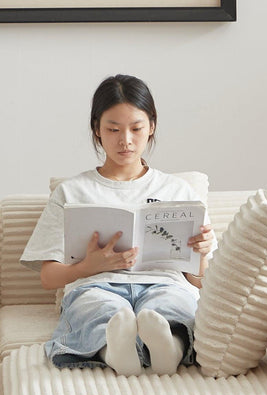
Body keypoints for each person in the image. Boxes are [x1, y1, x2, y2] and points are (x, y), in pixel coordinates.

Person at [20, 75, 215, 376]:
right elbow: (48, 276)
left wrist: (201, 253)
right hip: (97, 285)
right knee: (99, 310)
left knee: (172, 306)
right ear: (96, 129)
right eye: (113, 129)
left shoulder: (179, 191)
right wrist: (88, 266)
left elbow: (200, 281)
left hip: (165, 283)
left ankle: (167, 348)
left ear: (152, 126)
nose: (126, 140)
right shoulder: (72, 192)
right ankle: (117, 351)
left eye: (136, 129)